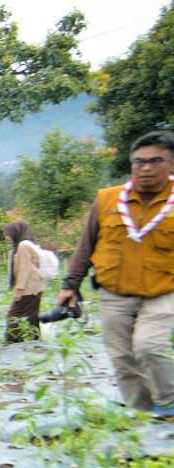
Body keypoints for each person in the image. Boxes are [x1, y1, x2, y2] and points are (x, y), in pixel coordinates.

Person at [56, 131, 174, 416]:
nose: (145, 167)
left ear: (170, 163)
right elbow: (87, 244)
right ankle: (143, 418)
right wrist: (71, 284)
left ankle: (169, 405)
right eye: (138, 161)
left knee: (150, 346)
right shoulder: (108, 200)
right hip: (114, 293)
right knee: (122, 359)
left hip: (163, 292)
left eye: (155, 160)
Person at [2, 221, 46, 343]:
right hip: (35, 287)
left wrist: (19, 290)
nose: (6, 238)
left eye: (7, 235)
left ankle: (13, 342)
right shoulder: (27, 244)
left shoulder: (23, 246)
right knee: (32, 318)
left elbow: (25, 269)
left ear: (15, 233)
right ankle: (36, 342)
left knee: (13, 316)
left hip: (29, 289)